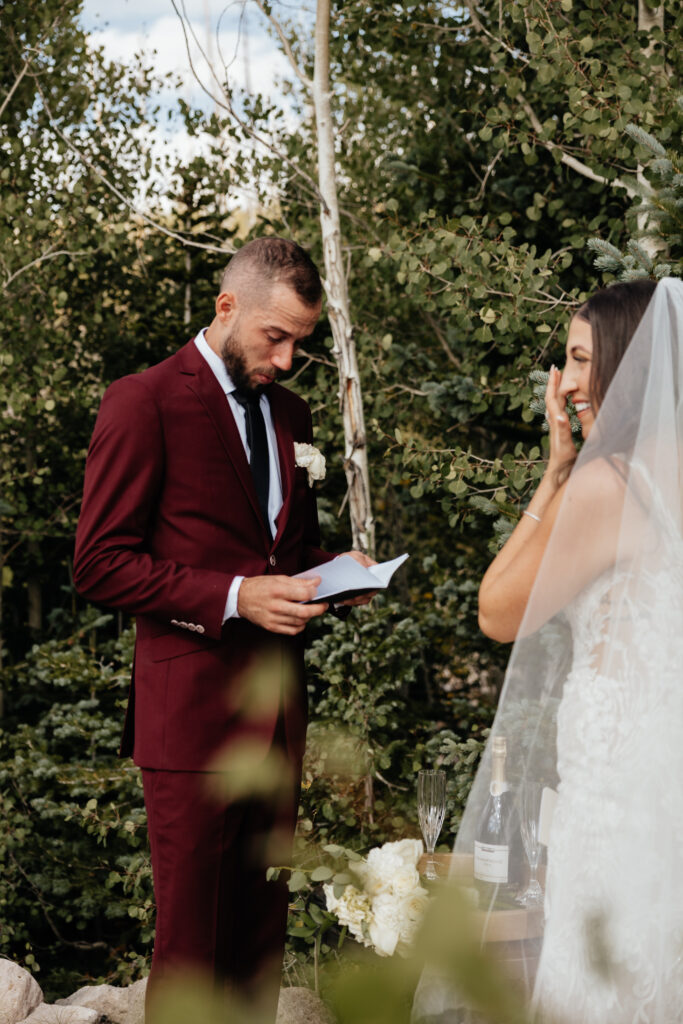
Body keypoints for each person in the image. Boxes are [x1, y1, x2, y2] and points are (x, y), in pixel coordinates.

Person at [73, 236, 373, 1020]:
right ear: (226, 306)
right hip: (190, 720)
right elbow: (99, 563)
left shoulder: (291, 413)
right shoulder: (144, 401)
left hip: (275, 721)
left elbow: (285, 554)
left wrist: (338, 574)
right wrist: (237, 597)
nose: (284, 356)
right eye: (274, 336)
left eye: (300, 342)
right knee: (192, 950)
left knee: (257, 940)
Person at [416, 277, 683, 1023]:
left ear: (624, 366)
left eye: (575, 359)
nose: (561, 382)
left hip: (619, 794)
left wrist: (554, 472)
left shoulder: (609, 483)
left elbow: (497, 610)